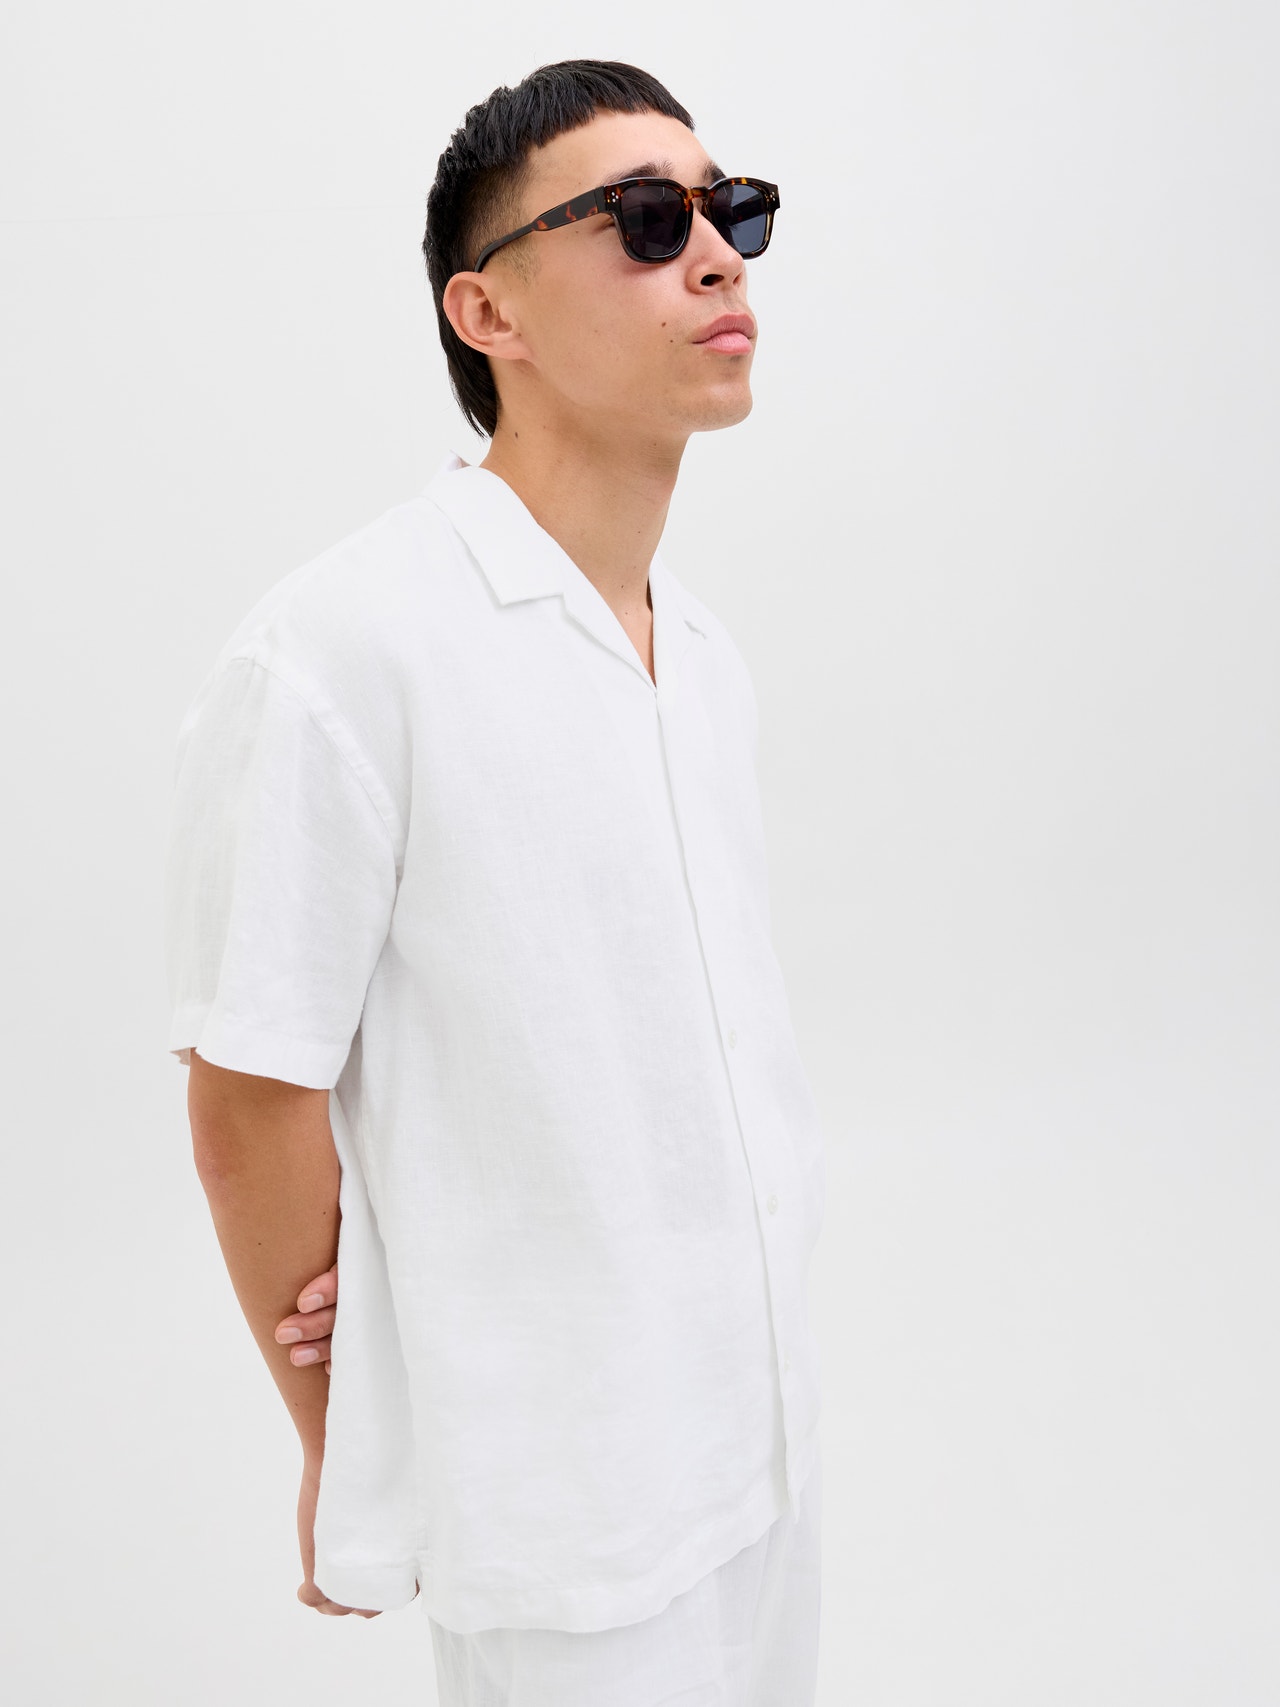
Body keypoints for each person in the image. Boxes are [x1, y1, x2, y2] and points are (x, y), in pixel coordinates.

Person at [164, 57, 826, 1705]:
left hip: (764, 1463)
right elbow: (251, 1086)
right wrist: (348, 1439)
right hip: (567, 1515)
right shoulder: (343, 651)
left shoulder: (704, 658)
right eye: (647, 218)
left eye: (732, 211)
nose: (715, 255)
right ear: (488, 310)